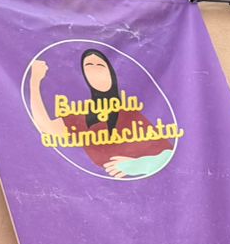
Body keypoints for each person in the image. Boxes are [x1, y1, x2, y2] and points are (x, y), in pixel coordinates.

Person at [26, 46, 175, 180]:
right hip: (96, 192)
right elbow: (46, 127)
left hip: (143, 190)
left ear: (111, 72)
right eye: (89, 66)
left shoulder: (129, 114)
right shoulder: (81, 117)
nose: (95, 71)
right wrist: (35, 82)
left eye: (100, 66)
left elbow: (168, 154)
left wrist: (137, 165)